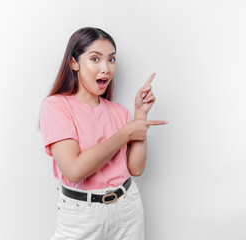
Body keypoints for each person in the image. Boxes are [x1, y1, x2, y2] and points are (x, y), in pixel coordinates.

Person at [39, 27, 167, 240]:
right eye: (95, 59)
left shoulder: (118, 112)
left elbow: (136, 168)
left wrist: (140, 116)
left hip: (127, 208)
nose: (106, 68)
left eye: (111, 59)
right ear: (74, 63)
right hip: (82, 214)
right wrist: (125, 133)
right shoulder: (56, 106)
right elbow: (74, 170)